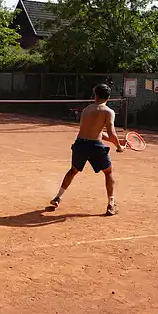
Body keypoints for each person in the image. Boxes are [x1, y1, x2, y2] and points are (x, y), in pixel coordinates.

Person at [50, 83, 125, 216]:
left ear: (95, 96)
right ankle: (111, 204)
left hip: (80, 144)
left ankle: (58, 197)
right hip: (94, 146)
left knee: (73, 170)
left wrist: (117, 141)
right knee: (108, 172)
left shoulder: (86, 110)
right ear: (108, 97)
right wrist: (119, 146)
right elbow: (111, 133)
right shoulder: (108, 112)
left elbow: (96, 132)